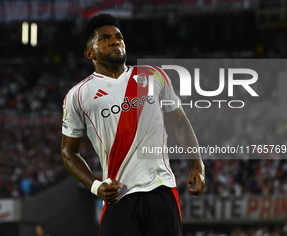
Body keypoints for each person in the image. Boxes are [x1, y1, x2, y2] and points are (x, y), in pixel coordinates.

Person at [61, 13, 205, 236]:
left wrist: (198, 165)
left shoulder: (154, 75)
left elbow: (181, 123)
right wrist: (95, 185)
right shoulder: (79, 95)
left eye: (118, 37)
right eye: (105, 38)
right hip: (119, 195)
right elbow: (69, 152)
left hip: (162, 190)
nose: (115, 41)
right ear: (89, 53)